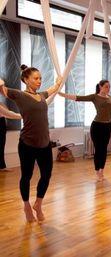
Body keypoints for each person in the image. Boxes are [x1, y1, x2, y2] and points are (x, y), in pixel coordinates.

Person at [0, 65, 62, 222]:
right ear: (26, 80)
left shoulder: (41, 96)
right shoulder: (19, 95)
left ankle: (38, 204)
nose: (39, 81)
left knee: (46, 175)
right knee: (26, 176)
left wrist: (58, 82)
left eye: (40, 78)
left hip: (44, 143)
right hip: (27, 144)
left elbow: (52, 89)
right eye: (35, 78)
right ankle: (27, 205)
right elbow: (3, 90)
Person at [58, 80, 111, 181]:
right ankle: (97, 171)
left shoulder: (110, 97)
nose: (108, 88)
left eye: (109, 87)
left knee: (104, 150)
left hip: (107, 126)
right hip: (97, 126)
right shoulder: (95, 97)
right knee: (98, 150)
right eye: (106, 86)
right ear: (100, 87)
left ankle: (102, 171)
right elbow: (78, 98)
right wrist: (62, 94)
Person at [0, 103, 22, 172]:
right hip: (1, 122)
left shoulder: (1, 104)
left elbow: (8, 112)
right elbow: (9, 114)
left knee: (1, 146)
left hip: (1, 123)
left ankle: (2, 166)